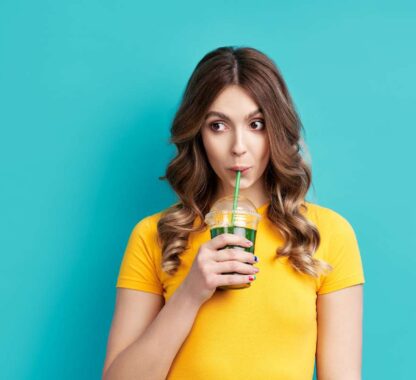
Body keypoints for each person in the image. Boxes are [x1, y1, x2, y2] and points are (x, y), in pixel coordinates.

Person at [102, 46, 366, 380]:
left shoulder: (325, 234)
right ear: (198, 132)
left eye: (256, 124)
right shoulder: (155, 235)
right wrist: (191, 292)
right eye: (218, 125)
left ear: (276, 130)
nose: (239, 146)